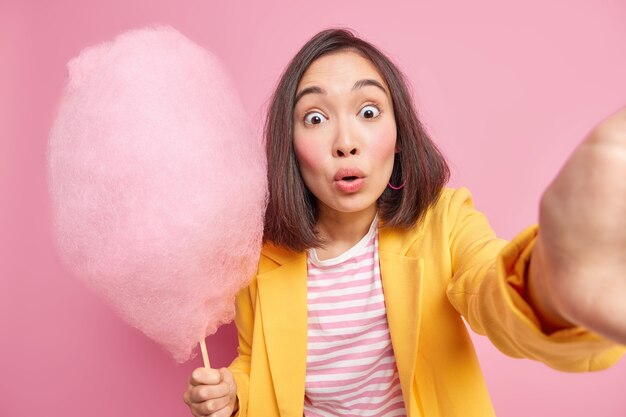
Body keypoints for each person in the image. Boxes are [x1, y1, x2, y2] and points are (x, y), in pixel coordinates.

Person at [183, 28, 626, 417]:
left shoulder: (444, 221)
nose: (345, 142)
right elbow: (255, 361)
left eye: (369, 112)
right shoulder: (257, 257)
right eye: (315, 118)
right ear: (290, 147)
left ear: (398, 138)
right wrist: (233, 391)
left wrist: (552, 284)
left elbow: (488, 287)